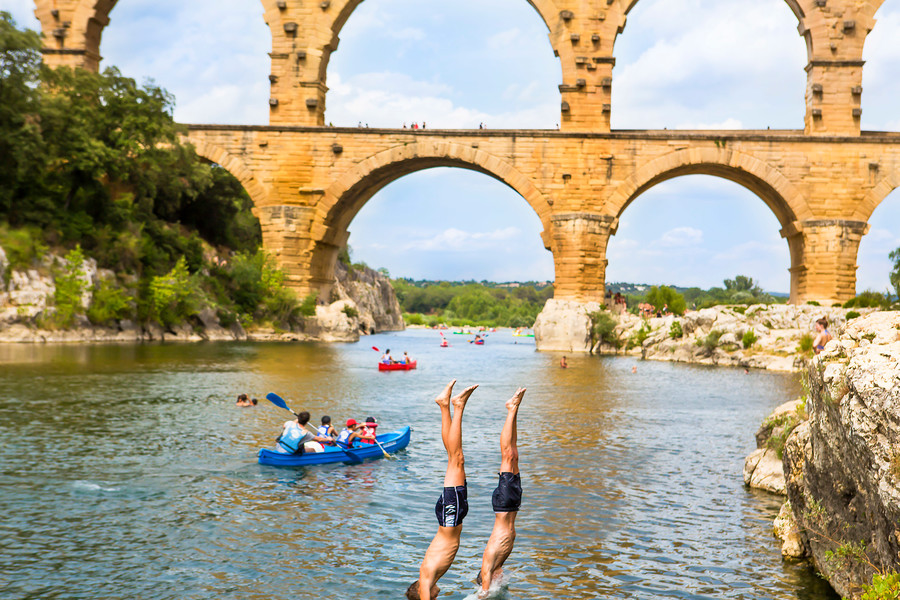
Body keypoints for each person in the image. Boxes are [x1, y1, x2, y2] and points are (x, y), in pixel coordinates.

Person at [406, 380, 478, 600]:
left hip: (449, 518)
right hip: (450, 518)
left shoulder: (426, 578)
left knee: (456, 459)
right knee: (454, 459)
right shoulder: (430, 577)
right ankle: (444, 405)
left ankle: (457, 406)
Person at [477, 387, 526, 595]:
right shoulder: (499, 562)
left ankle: (510, 409)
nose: (502, 576)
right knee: (514, 453)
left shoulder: (488, 563)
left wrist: (484, 591)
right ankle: (515, 410)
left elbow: (484, 592)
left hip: (505, 504)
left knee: (507, 454)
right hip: (512, 503)